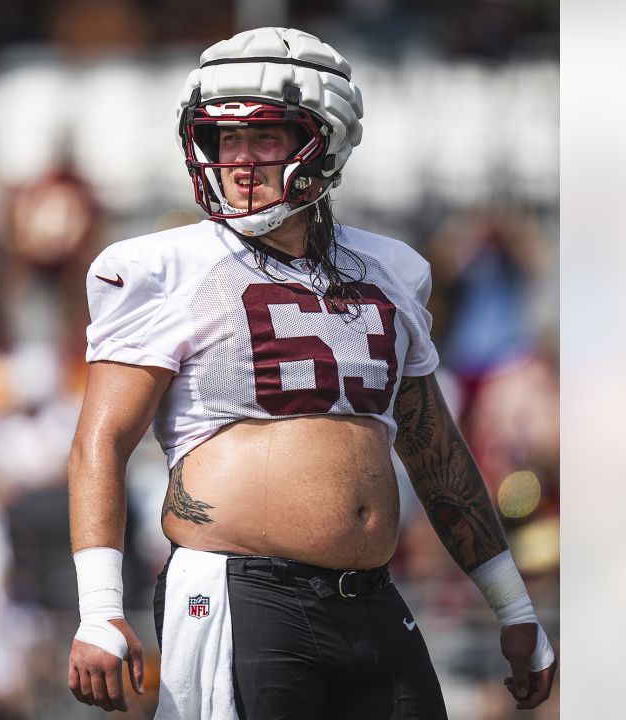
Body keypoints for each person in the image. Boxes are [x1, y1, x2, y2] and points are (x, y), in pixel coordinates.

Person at [64, 27, 556, 719]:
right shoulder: (162, 269)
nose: (237, 161)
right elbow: (101, 441)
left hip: (373, 596)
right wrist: (98, 609)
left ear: (326, 139)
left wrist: (510, 601)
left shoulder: (390, 271)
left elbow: (434, 450)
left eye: (263, 137)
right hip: (242, 591)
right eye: (221, 139)